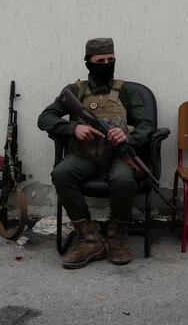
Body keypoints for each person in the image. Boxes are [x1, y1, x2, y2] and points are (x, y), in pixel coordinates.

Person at [38, 38, 154, 269]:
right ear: (88, 62)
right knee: (61, 173)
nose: (106, 64)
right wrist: (74, 128)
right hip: (85, 156)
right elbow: (45, 118)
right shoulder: (74, 91)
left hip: (119, 156)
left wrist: (127, 137)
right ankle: (90, 239)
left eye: (110, 60)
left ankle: (116, 236)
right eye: (100, 60)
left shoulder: (127, 91)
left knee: (123, 179)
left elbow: (147, 125)